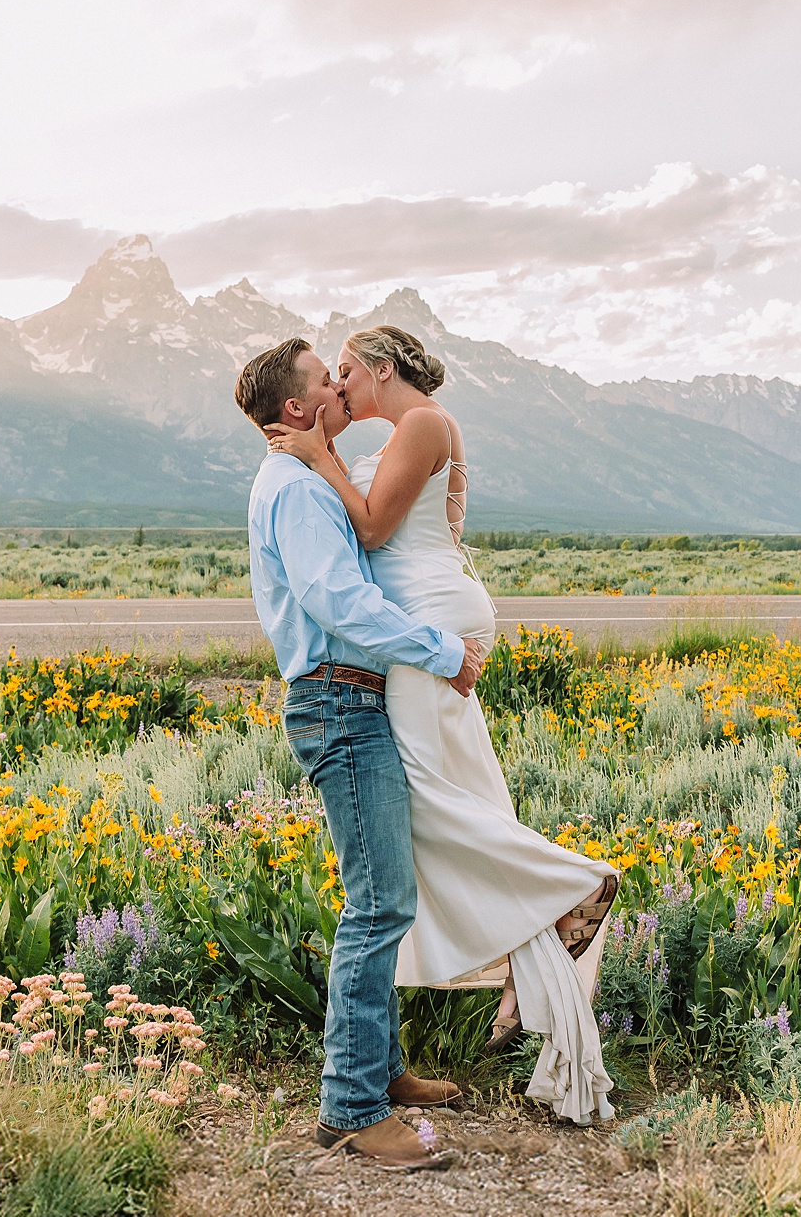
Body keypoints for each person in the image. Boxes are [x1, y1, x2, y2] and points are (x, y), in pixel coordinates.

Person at [262, 325, 619, 1126]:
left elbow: (373, 530)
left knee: (421, 792)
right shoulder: (404, 434)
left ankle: (572, 885)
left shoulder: (422, 421)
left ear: (384, 369)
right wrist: (324, 454)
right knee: (455, 797)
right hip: (427, 618)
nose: (341, 385)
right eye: (331, 375)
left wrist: (317, 455)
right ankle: (531, 949)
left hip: (428, 623)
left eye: (347, 371)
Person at [235, 338, 483, 1172]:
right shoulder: (298, 490)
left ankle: (379, 1067)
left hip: (349, 697)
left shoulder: (310, 477)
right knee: (377, 903)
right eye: (325, 380)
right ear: (298, 408)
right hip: (338, 701)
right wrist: (441, 650)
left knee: (383, 894)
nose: (339, 388)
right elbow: (341, 601)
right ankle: (349, 1106)